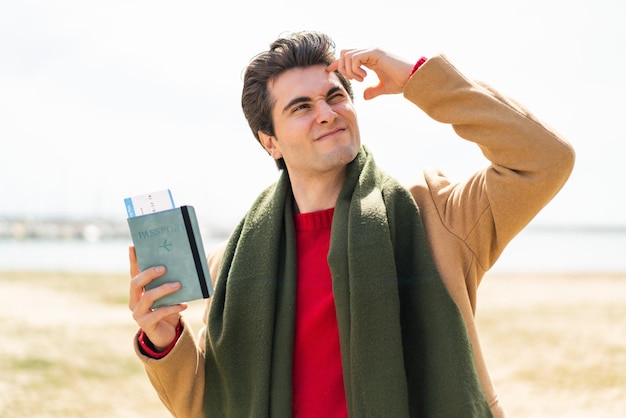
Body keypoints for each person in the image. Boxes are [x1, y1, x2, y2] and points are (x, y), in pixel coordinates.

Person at [129, 31, 574, 417]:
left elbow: (544, 158)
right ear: (271, 143)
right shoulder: (233, 262)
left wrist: (420, 79)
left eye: (335, 96)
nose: (326, 112)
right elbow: (212, 406)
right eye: (301, 107)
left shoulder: (436, 215)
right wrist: (165, 340)